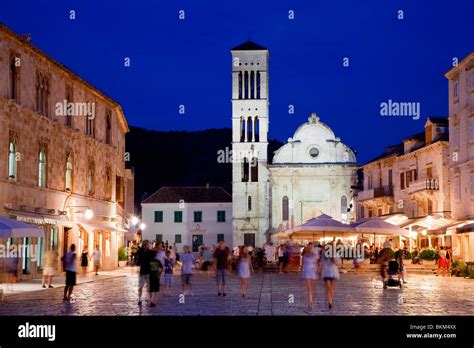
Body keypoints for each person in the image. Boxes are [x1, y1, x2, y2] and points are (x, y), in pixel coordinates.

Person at [319, 243, 340, 309]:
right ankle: (330, 301)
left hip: (330, 271)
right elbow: (321, 261)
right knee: (330, 287)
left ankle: (330, 300)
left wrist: (333, 258)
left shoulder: (332, 253)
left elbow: (337, 262)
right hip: (329, 271)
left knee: (330, 288)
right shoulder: (325, 253)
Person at [301, 243, 319, 310]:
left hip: (311, 271)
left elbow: (316, 264)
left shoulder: (313, 256)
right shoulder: (305, 256)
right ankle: (310, 301)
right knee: (310, 288)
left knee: (311, 288)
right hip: (309, 272)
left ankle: (311, 301)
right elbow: (302, 265)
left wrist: (317, 270)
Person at [137, 241, 151, 306]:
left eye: (146, 245)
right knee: (140, 286)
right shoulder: (140, 252)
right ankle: (139, 298)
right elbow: (138, 262)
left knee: (148, 286)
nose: (145, 246)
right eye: (144, 245)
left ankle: (148, 297)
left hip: (148, 272)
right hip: (142, 272)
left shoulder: (150, 252)